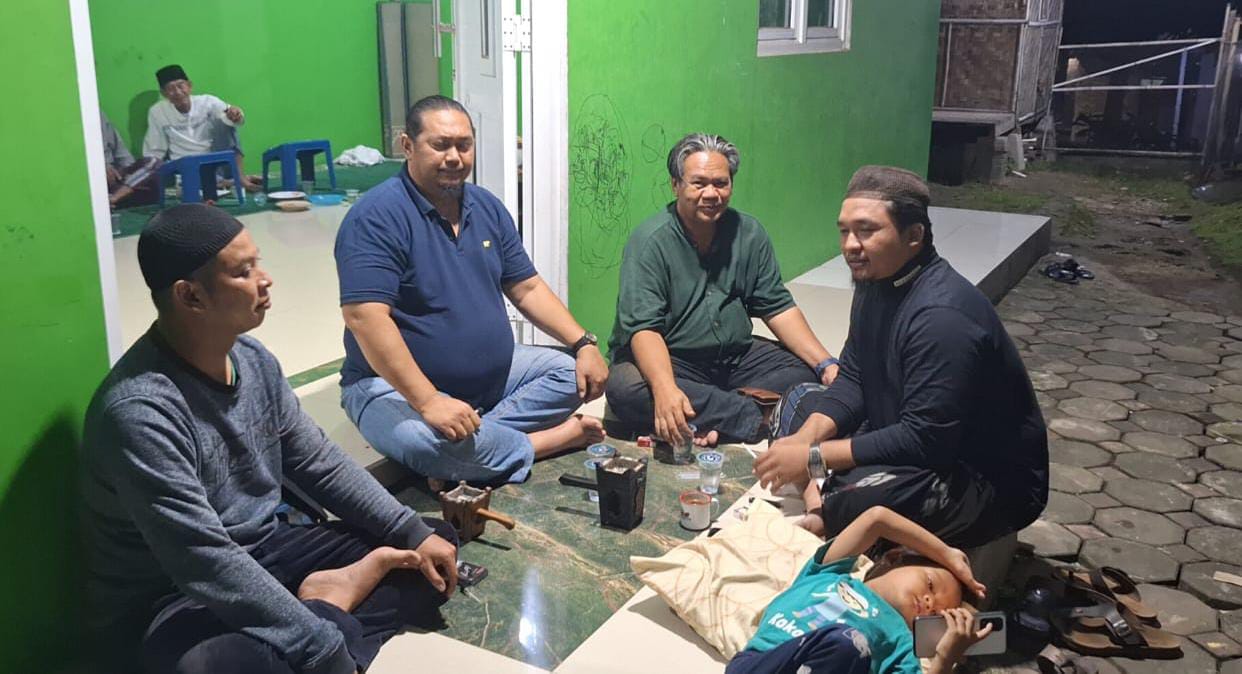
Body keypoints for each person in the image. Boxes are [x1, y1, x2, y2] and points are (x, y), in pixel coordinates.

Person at [81, 204, 458, 674]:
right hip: (178, 598)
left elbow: (319, 463)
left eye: (257, 262)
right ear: (190, 295)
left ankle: (322, 609)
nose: (266, 279)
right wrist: (320, 645)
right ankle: (330, 605)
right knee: (217, 667)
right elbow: (204, 562)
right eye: (244, 271)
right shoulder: (141, 411)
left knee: (433, 549)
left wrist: (411, 531)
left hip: (272, 550)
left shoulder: (253, 360)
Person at [754, 165, 1048, 550]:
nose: (850, 245)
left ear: (913, 236)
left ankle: (826, 506)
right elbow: (853, 376)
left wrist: (813, 458)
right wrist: (806, 441)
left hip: (981, 479)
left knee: (870, 497)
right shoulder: (874, 280)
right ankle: (823, 503)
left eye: (866, 230)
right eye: (844, 231)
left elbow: (926, 440)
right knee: (796, 401)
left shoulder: (942, 316)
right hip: (903, 430)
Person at [335, 95, 608, 486]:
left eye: (464, 145)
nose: (454, 157)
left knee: (572, 375)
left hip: (491, 379)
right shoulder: (376, 217)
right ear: (407, 145)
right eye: (440, 145)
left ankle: (468, 448)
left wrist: (583, 343)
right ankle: (542, 442)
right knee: (423, 443)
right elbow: (365, 317)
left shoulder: (486, 207)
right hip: (390, 386)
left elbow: (527, 287)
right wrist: (429, 400)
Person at [605, 133, 840, 446]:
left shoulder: (749, 233)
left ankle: (712, 416)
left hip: (734, 357)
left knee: (803, 369)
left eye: (720, 183)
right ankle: (759, 416)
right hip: (673, 359)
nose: (711, 194)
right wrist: (665, 388)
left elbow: (776, 306)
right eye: (698, 183)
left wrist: (825, 364)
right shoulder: (650, 242)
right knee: (626, 388)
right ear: (675, 185)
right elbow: (644, 329)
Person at [727, 505, 993, 674]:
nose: (928, 601)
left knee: (850, 645)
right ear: (894, 558)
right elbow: (877, 519)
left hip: (843, 653)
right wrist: (946, 554)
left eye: (936, 613)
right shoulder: (829, 573)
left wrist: (944, 659)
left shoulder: (901, 645)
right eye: (930, 585)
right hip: (763, 664)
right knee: (846, 642)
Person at [142, 64, 261, 193]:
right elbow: (155, 149)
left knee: (227, 122)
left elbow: (236, 119)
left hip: (214, 160)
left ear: (189, 86)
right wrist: (151, 170)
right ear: (164, 93)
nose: (177, 92)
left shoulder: (208, 102)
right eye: (170, 89)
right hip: (184, 165)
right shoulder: (158, 112)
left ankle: (240, 178)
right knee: (194, 182)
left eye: (180, 86)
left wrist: (235, 114)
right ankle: (229, 182)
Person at [101, 111, 160, 208]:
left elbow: (120, 151)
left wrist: (129, 175)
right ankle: (109, 200)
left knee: (153, 162)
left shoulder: (98, 114)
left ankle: (113, 198)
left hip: (116, 175)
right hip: (92, 176)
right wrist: (101, 166)